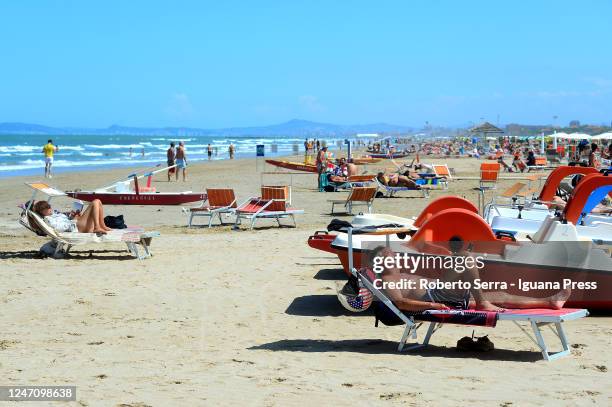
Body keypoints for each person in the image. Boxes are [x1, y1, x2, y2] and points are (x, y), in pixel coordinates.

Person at [372, 240, 571, 312]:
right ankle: (482, 302)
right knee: (465, 258)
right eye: (388, 255)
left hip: (444, 291)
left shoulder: (400, 273)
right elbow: (401, 304)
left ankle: (550, 301)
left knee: (501, 295)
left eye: (392, 254)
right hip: (438, 297)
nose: (394, 256)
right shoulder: (388, 280)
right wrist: (433, 306)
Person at [32, 199, 111, 234]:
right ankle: (97, 227)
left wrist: (72, 216)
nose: (49, 208)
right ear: (41, 212)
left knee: (98, 202)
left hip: (78, 224)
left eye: (48, 206)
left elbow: (65, 220)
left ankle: (102, 226)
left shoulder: (53, 214)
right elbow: (59, 228)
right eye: (46, 208)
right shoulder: (48, 219)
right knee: (95, 202)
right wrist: (74, 221)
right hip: (77, 227)